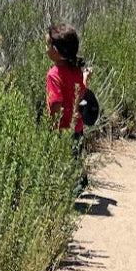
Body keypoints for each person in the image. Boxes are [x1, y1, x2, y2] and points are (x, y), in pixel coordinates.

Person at [45, 23, 89, 186]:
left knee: (62, 160)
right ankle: (80, 182)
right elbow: (81, 93)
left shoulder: (53, 75)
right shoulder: (75, 70)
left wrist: (51, 126)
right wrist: (85, 78)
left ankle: (68, 193)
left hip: (62, 128)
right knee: (75, 154)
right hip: (76, 124)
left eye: (48, 44)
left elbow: (56, 104)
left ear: (56, 50)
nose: (46, 48)